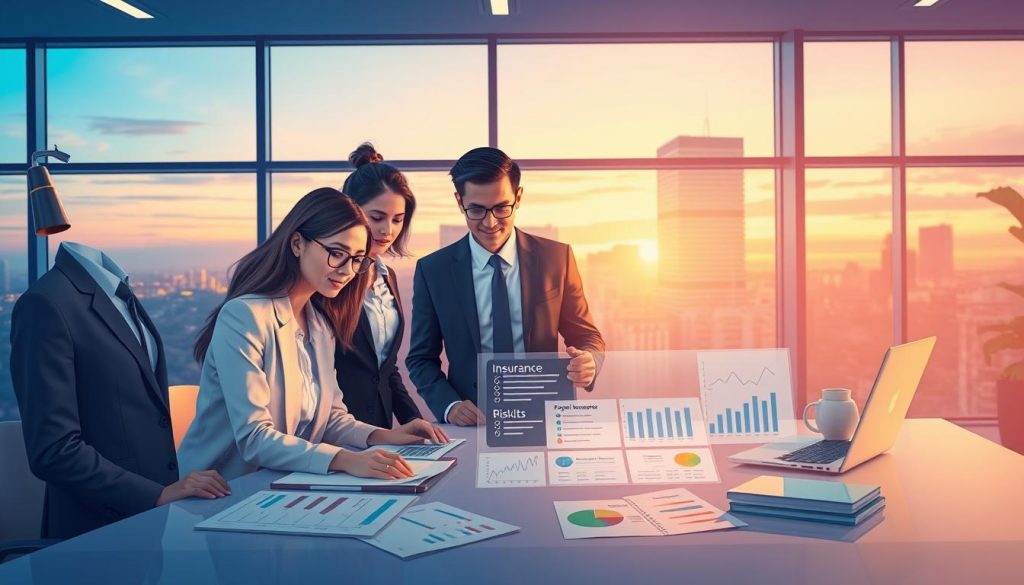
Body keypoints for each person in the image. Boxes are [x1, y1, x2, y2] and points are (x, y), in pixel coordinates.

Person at [179, 187, 447, 482]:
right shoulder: (244, 316)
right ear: (297, 243)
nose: (347, 270)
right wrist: (346, 460)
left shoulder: (319, 324)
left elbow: (332, 419)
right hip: (222, 490)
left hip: (283, 484)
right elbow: (254, 437)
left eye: (357, 258)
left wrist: (386, 436)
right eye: (336, 253)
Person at [10, 242, 229, 539]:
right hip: (92, 533)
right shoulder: (46, 304)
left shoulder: (117, 293)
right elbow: (54, 449)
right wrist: (154, 494)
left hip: (149, 526)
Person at [406, 147, 606, 426]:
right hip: (474, 420)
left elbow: (587, 336)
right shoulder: (433, 271)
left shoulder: (556, 259)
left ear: (519, 197)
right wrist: (449, 405)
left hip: (545, 414)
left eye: (501, 208)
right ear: (459, 201)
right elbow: (420, 358)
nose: (490, 223)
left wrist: (590, 361)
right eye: (476, 209)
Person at [334, 143, 427, 428]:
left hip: (382, 430)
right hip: (334, 433)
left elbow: (385, 368)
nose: (388, 231)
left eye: (397, 220)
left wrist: (412, 419)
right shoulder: (331, 280)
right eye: (376, 218)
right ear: (350, 210)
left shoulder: (388, 277)